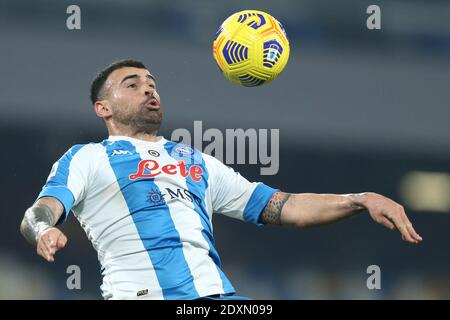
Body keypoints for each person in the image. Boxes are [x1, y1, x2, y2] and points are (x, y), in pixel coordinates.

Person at [20, 59, 422, 300]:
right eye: (133, 85)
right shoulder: (88, 158)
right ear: (102, 107)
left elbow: (280, 206)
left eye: (152, 84)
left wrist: (360, 198)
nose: (149, 90)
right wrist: (43, 231)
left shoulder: (196, 161)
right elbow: (39, 212)